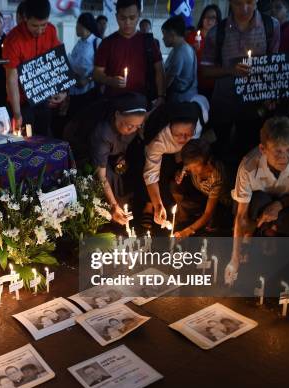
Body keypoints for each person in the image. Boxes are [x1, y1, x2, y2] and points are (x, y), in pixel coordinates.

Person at [226, 117, 289, 285]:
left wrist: (279, 205)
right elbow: (241, 216)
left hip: (284, 202)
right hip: (259, 202)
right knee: (257, 204)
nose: (285, 158)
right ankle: (255, 238)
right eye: (278, 152)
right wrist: (234, 258)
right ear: (263, 149)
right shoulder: (248, 166)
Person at [200, 0, 280, 165]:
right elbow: (206, 71)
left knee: (249, 150)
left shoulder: (271, 26)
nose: (244, 9)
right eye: (237, 3)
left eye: (249, 2)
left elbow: (275, 65)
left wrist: (271, 94)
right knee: (218, 149)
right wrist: (230, 70)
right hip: (224, 102)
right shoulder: (217, 32)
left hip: (255, 103)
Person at [142, 96, 210, 229]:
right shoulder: (158, 140)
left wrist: (184, 168)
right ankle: (148, 205)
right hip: (159, 150)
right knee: (161, 172)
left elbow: (202, 100)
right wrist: (158, 205)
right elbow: (151, 175)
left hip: (183, 154)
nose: (184, 138)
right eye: (178, 134)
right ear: (170, 125)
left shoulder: (201, 118)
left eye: (188, 134)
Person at [2, 0, 66, 135]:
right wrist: (17, 113)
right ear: (25, 18)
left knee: (45, 138)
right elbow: (11, 79)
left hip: (43, 99)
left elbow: (57, 63)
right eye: (35, 26)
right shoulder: (12, 40)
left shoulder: (51, 30)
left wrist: (62, 91)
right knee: (26, 141)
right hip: (22, 103)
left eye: (43, 25)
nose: (40, 30)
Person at [90, 93, 147, 225]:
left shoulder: (135, 127)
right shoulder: (103, 133)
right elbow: (101, 177)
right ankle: (111, 215)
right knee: (111, 178)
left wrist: (121, 157)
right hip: (94, 158)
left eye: (137, 126)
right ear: (117, 115)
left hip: (116, 157)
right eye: (129, 125)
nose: (132, 130)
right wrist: (113, 205)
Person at [93, 0, 166, 104]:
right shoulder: (107, 43)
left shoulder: (149, 42)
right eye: (122, 18)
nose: (127, 23)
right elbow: (97, 73)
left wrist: (161, 96)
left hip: (141, 103)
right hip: (114, 103)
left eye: (132, 18)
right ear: (116, 16)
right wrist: (110, 80)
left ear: (139, 15)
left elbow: (159, 70)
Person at [171, 139, 231, 237]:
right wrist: (179, 174)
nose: (192, 170)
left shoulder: (217, 178)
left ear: (208, 162)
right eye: (190, 167)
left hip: (222, 202)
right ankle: (186, 217)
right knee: (175, 187)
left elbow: (207, 213)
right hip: (203, 194)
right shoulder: (193, 162)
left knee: (212, 225)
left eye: (195, 167)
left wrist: (188, 231)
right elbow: (186, 167)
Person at [68, 12, 102, 116]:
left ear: (85, 26)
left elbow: (102, 68)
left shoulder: (97, 42)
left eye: (78, 25)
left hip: (88, 91)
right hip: (74, 90)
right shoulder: (79, 43)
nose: (76, 28)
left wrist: (87, 80)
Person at [185, 4, 222, 100]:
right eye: (206, 17)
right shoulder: (192, 36)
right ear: (202, 18)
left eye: (213, 17)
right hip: (194, 84)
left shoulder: (221, 39)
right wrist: (191, 50)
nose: (209, 20)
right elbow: (183, 58)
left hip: (214, 84)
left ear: (218, 21)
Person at [162, 16, 198, 103]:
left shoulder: (180, 52)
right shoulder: (184, 48)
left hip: (181, 102)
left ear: (172, 34)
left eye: (164, 34)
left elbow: (167, 82)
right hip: (188, 97)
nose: (163, 38)